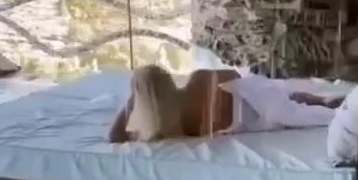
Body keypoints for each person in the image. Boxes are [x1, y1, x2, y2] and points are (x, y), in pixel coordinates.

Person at [108, 64, 343, 144]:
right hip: (253, 110)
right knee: (291, 105)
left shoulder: (162, 129)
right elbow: (233, 75)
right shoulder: (197, 80)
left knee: (290, 106)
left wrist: (133, 97)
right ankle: (324, 101)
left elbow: (114, 137)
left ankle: (323, 100)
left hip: (253, 107)